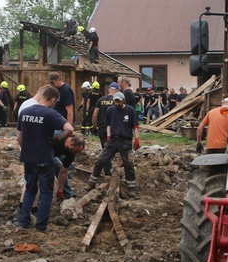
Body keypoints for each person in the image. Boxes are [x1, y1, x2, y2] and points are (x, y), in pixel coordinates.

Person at [15, 85, 74, 232]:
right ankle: (41, 226)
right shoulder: (51, 114)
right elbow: (70, 129)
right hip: (45, 157)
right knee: (46, 193)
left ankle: (23, 222)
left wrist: (27, 149)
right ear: (53, 99)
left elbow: (19, 137)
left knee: (30, 189)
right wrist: (58, 139)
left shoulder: (25, 112)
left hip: (28, 157)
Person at [85, 91, 141, 198]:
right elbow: (108, 124)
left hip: (126, 140)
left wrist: (137, 139)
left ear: (123, 100)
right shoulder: (111, 110)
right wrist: (108, 136)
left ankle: (132, 188)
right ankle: (91, 183)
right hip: (113, 140)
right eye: (115, 101)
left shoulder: (130, 110)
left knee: (128, 164)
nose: (117, 103)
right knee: (101, 160)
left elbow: (135, 126)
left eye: (119, 101)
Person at [16, 134, 86, 217]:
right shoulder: (57, 137)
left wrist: (60, 189)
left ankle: (66, 194)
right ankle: (23, 207)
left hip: (51, 155)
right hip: (36, 150)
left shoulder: (71, 153)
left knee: (58, 167)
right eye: (75, 151)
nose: (75, 153)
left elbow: (63, 171)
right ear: (71, 145)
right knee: (34, 180)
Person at [92, 82, 120, 175]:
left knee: (105, 148)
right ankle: (108, 170)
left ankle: (107, 169)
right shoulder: (117, 100)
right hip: (114, 129)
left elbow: (94, 115)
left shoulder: (101, 100)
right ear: (117, 90)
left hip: (102, 128)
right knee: (110, 150)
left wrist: (94, 126)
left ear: (109, 90)